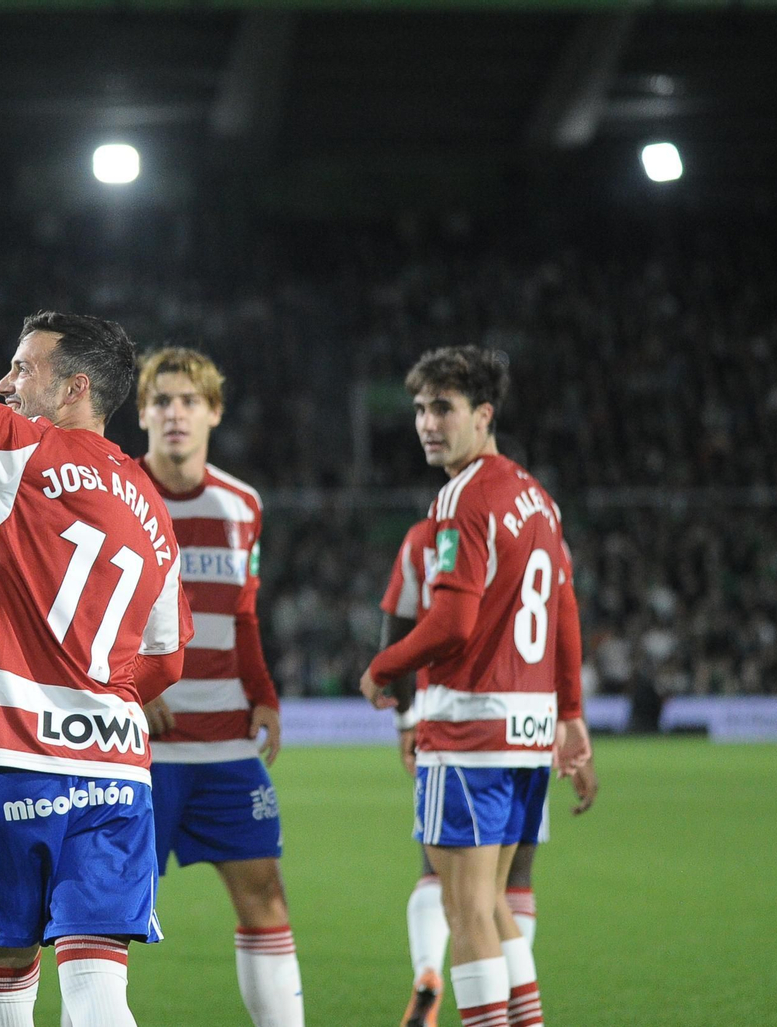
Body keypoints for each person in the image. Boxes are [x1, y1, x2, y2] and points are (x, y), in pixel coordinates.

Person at [0, 213, 193, 1027]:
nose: (8, 383)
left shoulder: (23, 451)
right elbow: (166, 658)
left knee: (4, 985)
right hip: (116, 771)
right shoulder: (155, 511)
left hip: (10, 759)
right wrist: (102, 695)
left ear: (75, 386)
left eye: (24, 369)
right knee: (97, 992)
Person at [360, 347, 591, 1027]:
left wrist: (384, 667)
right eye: (421, 409)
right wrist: (571, 712)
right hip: (526, 732)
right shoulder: (536, 496)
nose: (428, 423)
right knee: (494, 903)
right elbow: (566, 612)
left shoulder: (461, 498)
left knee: (464, 910)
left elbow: (453, 622)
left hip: (468, 728)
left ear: (483, 414)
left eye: (444, 408)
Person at [129, 346, 303, 1027]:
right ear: (141, 411)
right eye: (162, 401)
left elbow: (243, 611)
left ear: (214, 412)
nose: (175, 413)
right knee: (111, 916)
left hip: (227, 742)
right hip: (139, 749)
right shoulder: (116, 490)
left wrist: (265, 693)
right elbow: (89, 612)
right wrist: (135, 685)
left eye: (189, 401)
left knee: (265, 895)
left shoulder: (243, 504)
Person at [378, 518, 598, 1027]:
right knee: (509, 883)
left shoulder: (428, 534)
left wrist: (401, 708)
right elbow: (564, 623)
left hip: (458, 724)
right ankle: (520, 1006)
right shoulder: (546, 530)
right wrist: (569, 719)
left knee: (445, 874)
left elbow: (400, 620)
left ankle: (429, 970)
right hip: (529, 725)